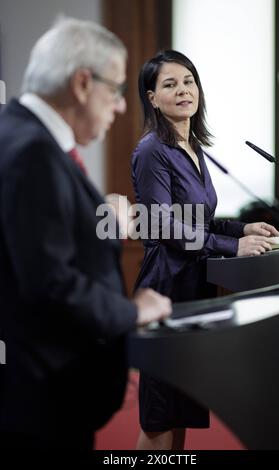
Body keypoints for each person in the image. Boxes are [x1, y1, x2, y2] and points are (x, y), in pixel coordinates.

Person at [0, 18, 172, 450]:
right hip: (44, 397)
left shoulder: (18, 132)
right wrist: (132, 311)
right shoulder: (32, 152)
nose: (119, 106)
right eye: (114, 90)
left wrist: (98, 219)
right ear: (81, 83)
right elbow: (49, 283)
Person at [131, 50, 279, 450]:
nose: (183, 90)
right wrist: (233, 246)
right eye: (170, 84)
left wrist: (241, 227)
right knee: (160, 416)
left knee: (182, 405)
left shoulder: (193, 147)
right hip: (167, 290)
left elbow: (198, 220)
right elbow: (164, 226)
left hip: (196, 287)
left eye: (189, 81)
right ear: (152, 97)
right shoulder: (151, 151)